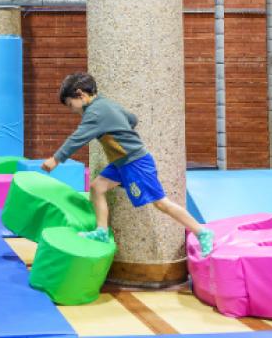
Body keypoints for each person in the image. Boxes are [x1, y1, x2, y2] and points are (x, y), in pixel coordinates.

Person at [40, 72, 215, 257]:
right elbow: (132, 119)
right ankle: (101, 232)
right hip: (121, 163)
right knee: (97, 187)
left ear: (80, 94)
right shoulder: (106, 104)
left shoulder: (95, 113)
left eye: (70, 104)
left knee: (161, 204)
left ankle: (201, 231)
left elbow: (77, 138)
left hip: (135, 163)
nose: (72, 110)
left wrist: (55, 159)